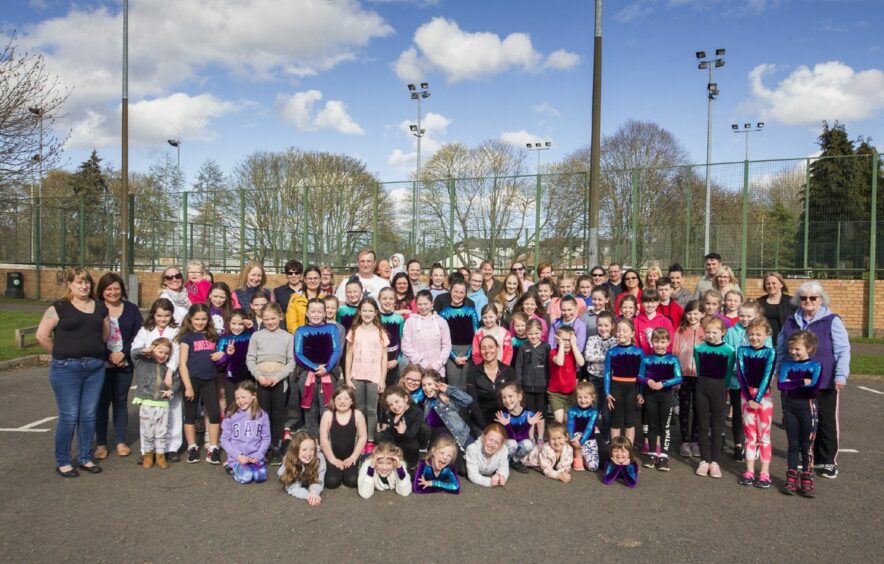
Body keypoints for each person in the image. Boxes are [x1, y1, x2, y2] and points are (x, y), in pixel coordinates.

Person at [37, 268, 110, 477]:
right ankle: (63, 461)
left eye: (87, 282)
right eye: (79, 282)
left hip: (95, 368)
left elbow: (105, 335)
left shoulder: (100, 307)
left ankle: (86, 458)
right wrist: (62, 354)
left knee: (88, 415)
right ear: (70, 284)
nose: (84, 286)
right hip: (66, 369)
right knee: (69, 416)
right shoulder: (59, 307)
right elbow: (42, 336)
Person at [776, 281, 850, 479]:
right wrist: (778, 370)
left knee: (826, 420)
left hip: (825, 380)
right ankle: (805, 458)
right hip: (797, 381)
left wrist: (841, 374)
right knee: (802, 421)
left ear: (821, 299)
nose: (808, 301)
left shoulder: (832, 320)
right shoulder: (791, 321)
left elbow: (843, 350)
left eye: (812, 298)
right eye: (803, 298)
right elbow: (782, 348)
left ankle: (827, 461)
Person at [94, 272, 144, 460]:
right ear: (102, 291)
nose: (113, 292)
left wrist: (123, 352)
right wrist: (108, 355)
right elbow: (91, 335)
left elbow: (139, 334)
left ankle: (121, 441)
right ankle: (101, 443)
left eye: (116, 288)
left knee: (120, 401)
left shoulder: (131, 309)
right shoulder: (96, 308)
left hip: (124, 362)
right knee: (101, 403)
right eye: (109, 289)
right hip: (101, 362)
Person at [131, 298, 183, 462]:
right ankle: (147, 449)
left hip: (169, 374)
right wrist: (144, 350)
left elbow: (176, 353)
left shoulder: (176, 330)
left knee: (173, 410)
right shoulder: (145, 330)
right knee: (148, 416)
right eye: (159, 315)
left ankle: (171, 447)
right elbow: (134, 349)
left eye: (166, 316)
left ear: (171, 315)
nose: (163, 319)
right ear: (153, 314)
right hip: (150, 378)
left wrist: (170, 372)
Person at [246, 303, 295, 465]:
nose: (270, 322)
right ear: (262, 319)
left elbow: (291, 362)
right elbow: (250, 359)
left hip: (279, 381)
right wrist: (259, 376)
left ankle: (276, 446)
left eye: (273, 318)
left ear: (280, 316)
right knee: (262, 414)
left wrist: (279, 376)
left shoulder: (288, 337)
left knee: (278, 414)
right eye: (266, 319)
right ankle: (263, 447)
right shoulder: (256, 336)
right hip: (261, 381)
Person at [777, 330, 823, 497]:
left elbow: (814, 388)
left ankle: (807, 480)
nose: (793, 352)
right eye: (791, 349)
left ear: (809, 348)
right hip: (790, 408)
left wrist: (793, 382)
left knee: (806, 446)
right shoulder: (787, 365)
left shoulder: (815, 366)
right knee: (793, 445)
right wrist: (803, 381)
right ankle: (790, 478)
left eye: (797, 349)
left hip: (808, 409)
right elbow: (782, 386)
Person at [177, 303, 222, 465]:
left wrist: (222, 354)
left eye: (203, 319)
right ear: (190, 319)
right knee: (190, 415)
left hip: (209, 379)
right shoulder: (187, 337)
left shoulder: (213, 336)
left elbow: (221, 355)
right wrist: (188, 386)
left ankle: (213, 448)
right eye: (197, 319)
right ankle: (192, 447)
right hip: (192, 381)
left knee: (215, 413)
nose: (200, 322)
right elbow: (182, 364)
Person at [735, 317, 776, 489]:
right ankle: (749, 470)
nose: (754, 337)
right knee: (750, 436)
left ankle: (765, 473)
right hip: (746, 396)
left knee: (764, 436)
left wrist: (757, 399)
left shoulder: (770, 353)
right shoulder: (742, 350)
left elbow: (767, 377)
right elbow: (741, 375)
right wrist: (749, 398)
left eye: (758, 334)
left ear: (767, 335)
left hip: (763, 398)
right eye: (751, 334)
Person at [294, 298, 343, 437]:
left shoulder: (331, 328)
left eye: (320, 311)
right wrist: (315, 368)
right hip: (307, 372)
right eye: (313, 311)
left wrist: (326, 369)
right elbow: (298, 354)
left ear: (325, 313)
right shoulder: (301, 331)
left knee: (327, 406)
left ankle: (326, 437)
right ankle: (313, 438)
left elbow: (336, 350)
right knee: (310, 408)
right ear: (307, 313)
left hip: (328, 371)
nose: (316, 314)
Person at [693, 316, 735, 479]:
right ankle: (704, 459)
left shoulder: (729, 350)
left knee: (717, 427)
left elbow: (728, 372)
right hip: (702, 387)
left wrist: (723, 389)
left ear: (723, 332)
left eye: (715, 332)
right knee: (703, 426)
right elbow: (698, 368)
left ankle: (715, 462)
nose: (711, 335)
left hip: (719, 388)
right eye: (708, 332)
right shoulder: (699, 348)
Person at [345, 298, 388, 451]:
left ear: (376, 312)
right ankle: (359, 438)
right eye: (364, 310)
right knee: (359, 409)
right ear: (360, 312)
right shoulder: (354, 331)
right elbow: (348, 355)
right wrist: (348, 377)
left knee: (371, 410)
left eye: (370, 310)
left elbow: (384, 358)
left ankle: (370, 439)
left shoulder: (381, 332)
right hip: (356, 376)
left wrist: (382, 379)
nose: (367, 313)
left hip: (374, 377)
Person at [637, 328, 682, 471]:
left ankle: (664, 455)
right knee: (652, 425)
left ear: (668, 342)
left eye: (663, 342)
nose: (659, 345)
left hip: (666, 396)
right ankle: (652, 453)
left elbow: (679, 377)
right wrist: (647, 383)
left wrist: (663, 383)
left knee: (665, 426)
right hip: (650, 396)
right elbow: (639, 376)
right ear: (651, 342)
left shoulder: (673, 359)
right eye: (656, 341)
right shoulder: (647, 359)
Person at [131, 337, 178, 470]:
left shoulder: (168, 368)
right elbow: (133, 354)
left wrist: (171, 391)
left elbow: (177, 381)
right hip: (147, 401)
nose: (163, 355)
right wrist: (144, 350)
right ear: (152, 350)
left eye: (166, 353)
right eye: (160, 351)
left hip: (162, 403)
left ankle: (160, 455)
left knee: (161, 431)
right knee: (147, 430)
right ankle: (147, 454)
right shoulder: (143, 362)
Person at [221, 381, 271, 484]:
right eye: (237, 398)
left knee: (260, 477)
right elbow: (224, 439)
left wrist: (259, 454)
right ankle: (230, 465)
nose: (240, 401)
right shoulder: (231, 415)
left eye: (243, 397)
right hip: (239, 457)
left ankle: (251, 467)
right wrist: (237, 456)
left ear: (253, 396)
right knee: (246, 478)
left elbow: (266, 438)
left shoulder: (262, 415)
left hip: (255, 456)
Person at [319, 386, 367, 490]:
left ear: (352, 401)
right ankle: (337, 470)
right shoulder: (328, 415)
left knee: (352, 481)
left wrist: (353, 457)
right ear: (334, 400)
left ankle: (348, 470)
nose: (342, 401)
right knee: (331, 482)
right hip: (332, 455)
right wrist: (332, 459)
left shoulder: (358, 415)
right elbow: (323, 439)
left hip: (351, 455)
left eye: (346, 398)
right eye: (339, 398)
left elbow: (363, 437)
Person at [466, 336, 516, 435]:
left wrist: (507, 422)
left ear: (497, 348)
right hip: (481, 421)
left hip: (505, 420)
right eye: (483, 348)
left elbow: (515, 400)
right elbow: (473, 402)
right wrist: (485, 427)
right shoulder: (473, 372)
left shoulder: (508, 370)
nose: (487, 351)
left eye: (490, 347)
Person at [673, 300, 704, 458]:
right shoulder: (680, 331)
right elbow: (675, 354)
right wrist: (676, 376)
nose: (692, 316)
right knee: (684, 409)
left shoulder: (706, 331)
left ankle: (695, 441)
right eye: (689, 313)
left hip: (701, 376)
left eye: (696, 313)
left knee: (699, 408)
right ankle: (685, 441)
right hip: (684, 376)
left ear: (702, 314)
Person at [435, 279, 479, 390]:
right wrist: (454, 357)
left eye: (461, 292)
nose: (458, 295)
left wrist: (468, 355)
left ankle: (467, 408)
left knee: (467, 386)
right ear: (451, 291)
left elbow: (476, 334)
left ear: (465, 294)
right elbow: (442, 339)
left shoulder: (471, 311)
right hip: (451, 353)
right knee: (454, 387)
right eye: (456, 291)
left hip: (469, 352)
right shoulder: (443, 313)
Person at [401, 290, 452, 380]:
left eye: (426, 304)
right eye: (420, 304)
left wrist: (437, 365)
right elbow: (405, 346)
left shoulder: (441, 321)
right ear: (416, 305)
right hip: (416, 372)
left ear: (432, 303)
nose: (423, 307)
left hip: (437, 371)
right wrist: (423, 363)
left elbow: (447, 345)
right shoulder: (410, 321)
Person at [421, 371, 474, 456]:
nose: (426, 388)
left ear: (437, 384)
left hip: (460, 438)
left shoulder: (446, 397)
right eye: (424, 385)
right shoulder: (426, 403)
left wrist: (448, 389)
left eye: (429, 384)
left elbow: (468, 400)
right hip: (440, 445)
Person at [514, 319, 550, 441]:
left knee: (540, 413)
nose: (533, 336)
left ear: (541, 332)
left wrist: (549, 384)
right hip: (527, 386)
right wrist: (519, 385)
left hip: (542, 386)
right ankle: (530, 437)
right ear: (526, 333)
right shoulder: (524, 347)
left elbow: (550, 368)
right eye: (530, 333)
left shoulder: (546, 347)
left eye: (536, 333)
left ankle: (540, 437)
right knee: (529, 412)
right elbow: (518, 366)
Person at [495, 382, 542, 472]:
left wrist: (528, 424)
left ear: (519, 397)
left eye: (510, 396)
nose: (507, 400)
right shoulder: (503, 415)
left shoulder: (528, 414)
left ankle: (514, 460)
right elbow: (511, 439)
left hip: (518, 442)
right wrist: (506, 425)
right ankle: (503, 461)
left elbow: (520, 438)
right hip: (507, 445)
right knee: (512, 443)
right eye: (504, 398)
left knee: (529, 444)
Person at [583, 311, 616, 439]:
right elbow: (588, 356)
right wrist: (606, 357)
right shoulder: (592, 339)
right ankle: (592, 434)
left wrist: (601, 357)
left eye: (606, 325)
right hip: (594, 378)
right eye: (600, 325)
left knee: (607, 411)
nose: (603, 328)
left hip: (609, 379)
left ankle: (606, 436)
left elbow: (614, 358)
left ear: (612, 326)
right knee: (594, 408)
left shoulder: (614, 341)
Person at [376, 385, 424, 470]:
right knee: (379, 436)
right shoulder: (390, 413)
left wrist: (403, 431)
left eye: (397, 401)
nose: (394, 406)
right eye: (391, 405)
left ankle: (410, 464)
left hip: (409, 442)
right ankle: (389, 460)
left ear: (405, 399)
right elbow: (391, 436)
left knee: (414, 444)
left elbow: (411, 435)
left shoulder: (417, 412)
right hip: (396, 442)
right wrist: (395, 423)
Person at [214, 309, 254, 406]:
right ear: (229, 323)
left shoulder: (250, 336)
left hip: (248, 377)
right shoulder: (224, 338)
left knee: (248, 405)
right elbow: (218, 362)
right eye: (234, 324)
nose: (236, 327)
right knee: (232, 406)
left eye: (240, 324)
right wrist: (227, 354)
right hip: (230, 378)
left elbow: (258, 339)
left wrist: (252, 328)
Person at [548, 326, 585, 423]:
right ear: (558, 340)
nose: (567, 343)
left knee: (568, 421)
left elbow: (581, 363)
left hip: (570, 393)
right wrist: (560, 346)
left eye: (569, 340)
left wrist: (574, 345)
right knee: (559, 420)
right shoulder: (553, 352)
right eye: (563, 340)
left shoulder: (574, 352)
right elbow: (560, 362)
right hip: (556, 393)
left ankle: (567, 437)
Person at [278, 431, 326, 506]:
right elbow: (292, 487)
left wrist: (314, 492)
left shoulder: (319, 458)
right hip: (291, 458)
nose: (309, 453)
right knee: (286, 447)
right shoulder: (288, 462)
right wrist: (308, 496)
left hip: (303, 468)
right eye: (304, 450)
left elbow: (319, 480)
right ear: (296, 450)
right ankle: (287, 437)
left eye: (312, 449)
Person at [567, 381, 602, 472]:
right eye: (580, 397)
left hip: (589, 442)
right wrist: (573, 440)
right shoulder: (572, 410)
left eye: (586, 397)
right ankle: (577, 456)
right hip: (574, 441)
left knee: (593, 467)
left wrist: (581, 442)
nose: (583, 400)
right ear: (576, 398)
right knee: (565, 463)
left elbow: (589, 428)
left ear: (592, 397)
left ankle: (583, 458)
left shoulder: (594, 412)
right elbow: (570, 426)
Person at [464, 423, 510, 487]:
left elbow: (503, 468)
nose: (492, 444)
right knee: (462, 470)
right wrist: (489, 482)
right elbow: (472, 475)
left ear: (501, 445)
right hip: (462, 459)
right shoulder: (472, 449)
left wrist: (502, 476)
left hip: (486, 471)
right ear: (483, 438)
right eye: (490, 440)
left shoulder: (503, 450)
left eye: (497, 442)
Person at [757, 272, 795, 346]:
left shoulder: (792, 302)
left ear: (781, 284)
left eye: (774, 283)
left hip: (786, 343)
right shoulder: (758, 302)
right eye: (768, 283)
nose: (771, 286)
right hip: (764, 344)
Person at [377, 287, 406, 387]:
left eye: (391, 298)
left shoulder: (399, 319)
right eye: (384, 298)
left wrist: (396, 361)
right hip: (377, 359)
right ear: (379, 300)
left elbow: (401, 340)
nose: (388, 301)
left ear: (395, 300)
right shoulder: (375, 318)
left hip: (393, 359)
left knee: (390, 389)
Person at [633, 289, 674, 355]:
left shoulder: (665, 321)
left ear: (658, 302)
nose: (650, 305)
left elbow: (670, 343)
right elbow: (635, 344)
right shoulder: (636, 321)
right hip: (642, 360)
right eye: (646, 302)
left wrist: (661, 355)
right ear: (641, 303)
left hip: (660, 360)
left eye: (653, 302)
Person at [276, 260, 304, 331]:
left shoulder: (308, 289)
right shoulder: (278, 291)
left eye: (297, 273)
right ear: (286, 275)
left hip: (304, 328)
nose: (293, 276)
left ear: (301, 274)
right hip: (285, 329)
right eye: (290, 273)